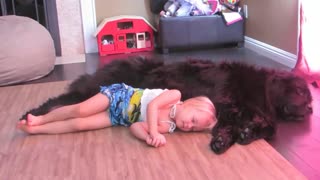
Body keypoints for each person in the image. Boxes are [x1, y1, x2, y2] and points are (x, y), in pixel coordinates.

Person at [17, 83, 217, 147]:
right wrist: (155, 131)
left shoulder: (168, 127)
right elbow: (153, 106)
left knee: (80, 125)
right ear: (190, 104)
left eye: (194, 128)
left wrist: (148, 136)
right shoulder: (175, 96)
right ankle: (41, 118)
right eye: (193, 120)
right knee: (80, 109)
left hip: (118, 118)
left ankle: (37, 130)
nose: (189, 126)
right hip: (118, 96)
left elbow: (135, 126)